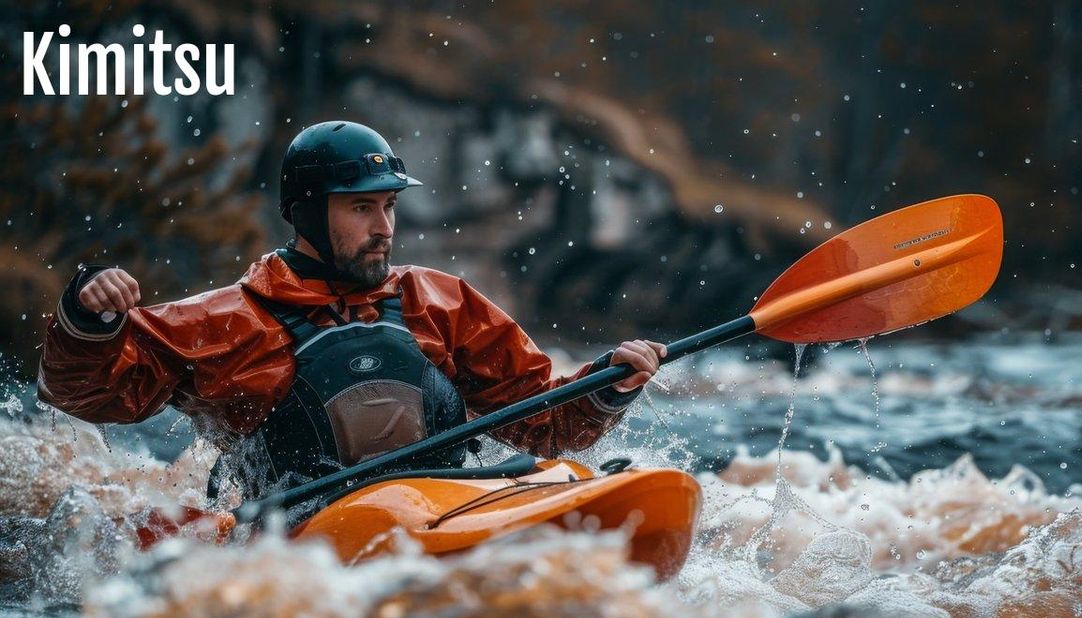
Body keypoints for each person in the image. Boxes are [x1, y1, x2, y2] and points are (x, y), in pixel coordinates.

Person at [37, 120, 664, 515]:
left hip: (449, 508)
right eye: (361, 208)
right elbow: (84, 393)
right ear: (307, 214)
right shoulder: (229, 320)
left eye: (388, 207)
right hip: (302, 541)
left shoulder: (439, 302)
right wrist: (88, 321)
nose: (383, 229)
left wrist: (608, 386)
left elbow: (546, 427)